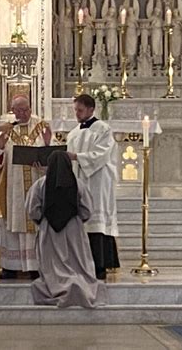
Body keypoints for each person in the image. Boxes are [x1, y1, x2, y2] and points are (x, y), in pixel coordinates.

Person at [25, 151, 107, 307]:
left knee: (53, 264)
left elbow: (32, 209)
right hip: (74, 230)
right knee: (76, 262)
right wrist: (76, 220)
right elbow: (87, 209)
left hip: (49, 229)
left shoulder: (40, 184)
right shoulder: (78, 184)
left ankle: (56, 285)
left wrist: (42, 221)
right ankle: (77, 283)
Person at [0, 95, 52, 280]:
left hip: (36, 182)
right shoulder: (7, 130)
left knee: (35, 221)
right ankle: (11, 266)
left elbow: (53, 155)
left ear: (30, 108)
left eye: (26, 109)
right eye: (19, 110)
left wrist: (48, 144)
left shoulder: (42, 127)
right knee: (14, 223)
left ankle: (35, 266)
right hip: (13, 189)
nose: (23, 113)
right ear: (12, 110)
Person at [66, 94, 120, 280]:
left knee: (97, 221)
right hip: (80, 180)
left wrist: (77, 157)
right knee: (83, 222)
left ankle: (100, 265)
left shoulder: (103, 129)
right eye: (75, 110)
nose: (77, 114)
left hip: (97, 180)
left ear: (91, 109)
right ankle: (82, 264)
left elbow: (101, 154)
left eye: (80, 110)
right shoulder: (73, 132)